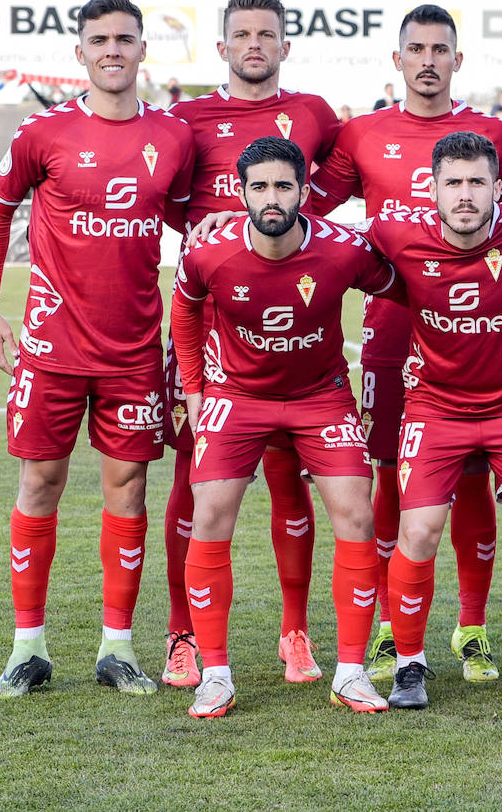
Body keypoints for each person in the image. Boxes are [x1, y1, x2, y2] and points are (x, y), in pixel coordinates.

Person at [308, 4, 502, 685]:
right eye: (415, 48)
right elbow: (309, 213)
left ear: (457, 59)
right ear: (397, 59)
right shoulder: (363, 134)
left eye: (439, 49)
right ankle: (393, 626)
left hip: (484, 348)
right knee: (395, 479)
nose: (427, 60)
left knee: (475, 481)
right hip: (393, 341)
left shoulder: (492, 135)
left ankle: (471, 628)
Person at [0, 0, 195, 699]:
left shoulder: (173, 138)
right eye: (99, 39)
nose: (112, 50)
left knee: (127, 488)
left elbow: (193, 233)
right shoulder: (44, 134)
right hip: (49, 347)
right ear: (80, 53)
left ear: (140, 50)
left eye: (125, 39)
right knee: (40, 484)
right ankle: (27, 647)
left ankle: (118, 647)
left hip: (134, 351)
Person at [171, 137, 400, 718]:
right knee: (211, 513)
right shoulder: (208, 253)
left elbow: (403, 288)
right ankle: (215, 675)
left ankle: (349, 673)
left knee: (356, 513)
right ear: (240, 192)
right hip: (237, 397)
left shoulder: (344, 250)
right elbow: (185, 312)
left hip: (319, 397)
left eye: (283, 186)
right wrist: (195, 392)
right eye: (259, 187)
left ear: (303, 191)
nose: (271, 198)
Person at [159, 0, 344, 689]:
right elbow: (166, 198)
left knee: (291, 473)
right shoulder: (186, 119)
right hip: (209, 322)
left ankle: (294, 632)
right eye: (243, 34)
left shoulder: (313, 114)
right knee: (193, 478)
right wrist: (202, 232)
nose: (256, 44)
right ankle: (185, 634)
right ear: (222, 47)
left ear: (286, 46)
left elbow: (333, 183)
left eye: (268, 33)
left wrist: (295, 236)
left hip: (293, 321)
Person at [358, 131, 502, 711]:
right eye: (452, 183)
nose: (464, 194)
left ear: (496, 187)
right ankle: (409, 664)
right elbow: (323, 246)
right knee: (419, 532)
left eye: (477, 181)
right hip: (435, 408)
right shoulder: (397, 232)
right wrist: (226, 224)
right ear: (432, 189)